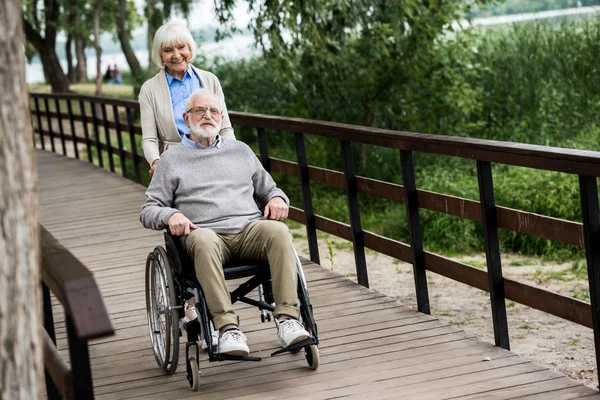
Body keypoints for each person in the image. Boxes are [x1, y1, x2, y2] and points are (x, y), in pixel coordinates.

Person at [140, 89, 310, 356]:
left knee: (278, 231)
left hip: (248, 230)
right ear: (186, 118)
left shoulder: (240, 151)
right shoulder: (170, 160)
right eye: (199, 111)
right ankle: (227, 328)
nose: (207, 115)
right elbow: (149, 209)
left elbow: (271, 190)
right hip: (204, 234)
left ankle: (288, 318)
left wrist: (278, 199)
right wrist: (170, 215)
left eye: (213, 111)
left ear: (221, 116)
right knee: (204, 240)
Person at [139, 22, 235, 178]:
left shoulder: (210, 80)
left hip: (214, 158)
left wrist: (233, 155)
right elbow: (149, 139)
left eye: (181, 47)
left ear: (190, 48)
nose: (176, 55)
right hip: (173, 164)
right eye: (168, 50)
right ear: (160, 54)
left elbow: (225, 129)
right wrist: (156, 161)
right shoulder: (149, 89)